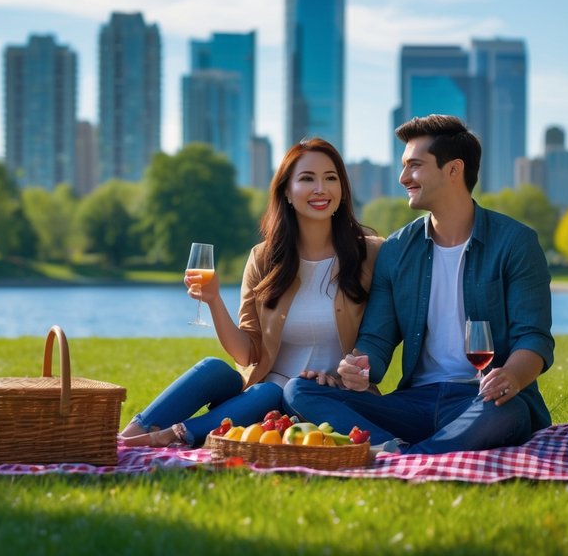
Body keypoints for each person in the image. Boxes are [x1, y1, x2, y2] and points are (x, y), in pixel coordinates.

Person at [284, 114, 554, 455]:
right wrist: (359, 368)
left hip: (486, 399)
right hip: (413, 403)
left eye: (414, 166)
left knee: (508, 411)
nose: (402, 177)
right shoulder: (397, 250)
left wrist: (512, 377)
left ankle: (403, 455)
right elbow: (376, 340)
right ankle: (403, 448)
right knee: (300, 391)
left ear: (454, 170)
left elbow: (534, 337)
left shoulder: (515, 242)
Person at [119, 137, 383, 448]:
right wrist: (215, 299)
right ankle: (126, 439)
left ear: (342, 189)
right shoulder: (264, 257)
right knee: (215, 370)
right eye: (307, 178)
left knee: (276, 391)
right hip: (261, 405)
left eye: (330, 178)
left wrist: (347, 375)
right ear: (286, 190)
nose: (321, 189)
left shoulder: (370, 253)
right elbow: (247, 353)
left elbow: (382, 333)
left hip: (322, 401)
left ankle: (173, 436)